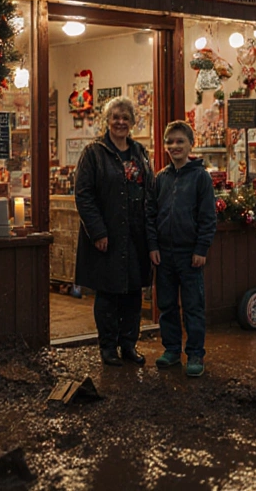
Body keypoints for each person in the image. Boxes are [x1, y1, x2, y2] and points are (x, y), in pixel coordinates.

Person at [73, 96, 154, 367]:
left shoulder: (140, 152)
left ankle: (129, 345)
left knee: (133, 293)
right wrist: (97, 232)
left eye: (125, 117)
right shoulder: (93, 153)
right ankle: (108, 347)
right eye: (115, 117)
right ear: (107, 121)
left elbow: (149, 191)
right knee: (107, 294)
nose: (120, 122)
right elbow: (83, 195)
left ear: (132, 122)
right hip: (108, 236)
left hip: (136, 237)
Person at [146, 120, 216, 377]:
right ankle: (172, 350)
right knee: (166, 305)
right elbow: (150, 215)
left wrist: (201, 249)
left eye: (180, 141)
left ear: (191, 145)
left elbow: (208, 217)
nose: (174, 146)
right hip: (163, 255)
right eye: (170, 142)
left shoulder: (201, 178)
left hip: (190, 255)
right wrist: (153, 245)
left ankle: (195, 353)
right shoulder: (160, 178)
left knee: (193, 305)